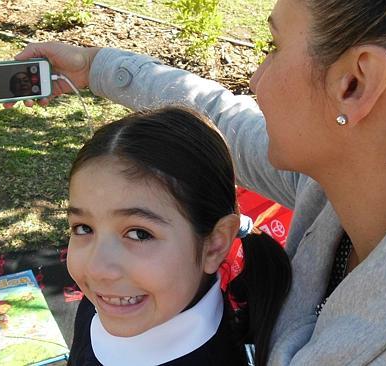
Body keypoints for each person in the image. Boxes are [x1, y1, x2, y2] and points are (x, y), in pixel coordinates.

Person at [6, 0, 386, 364]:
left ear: (354, 83)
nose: (255, 79)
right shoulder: (353, 187)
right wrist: (98, 67)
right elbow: (224, 120)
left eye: (273, 45)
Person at [65, 106, 291, 366]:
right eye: (83, 228)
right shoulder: (108, 303)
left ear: (215, 245)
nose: (96, 269)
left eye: (139, 234)